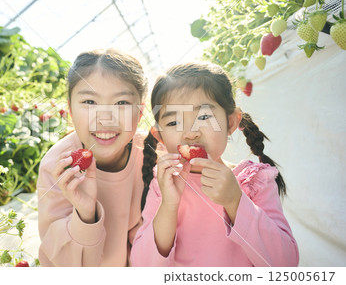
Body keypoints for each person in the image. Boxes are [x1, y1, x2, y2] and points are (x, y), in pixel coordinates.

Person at [130, 61, 299, 267]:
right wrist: (169, 205)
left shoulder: (254, 180)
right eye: (174, 122)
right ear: (160, 137)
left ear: (231, 123)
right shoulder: (163, 185)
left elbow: (285, 264)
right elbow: (142, 267)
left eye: (203, 116)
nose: (191, 132)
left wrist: (235, 201)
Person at [37, 48, 148, 266]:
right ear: (70, 109)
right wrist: (85, 214)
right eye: (89, 102)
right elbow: (64, 263)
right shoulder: (57, 167)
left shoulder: (152, 154)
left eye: (121, 103)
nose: (105, 118)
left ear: (140, 112)